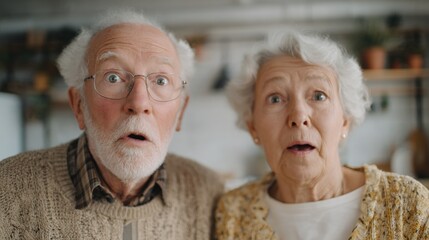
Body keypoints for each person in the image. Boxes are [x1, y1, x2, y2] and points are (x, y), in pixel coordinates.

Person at [0, 10, 224, 239]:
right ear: (78, 104)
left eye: (161, 80)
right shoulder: (6, 190)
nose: (139, 102)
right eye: (113, 77)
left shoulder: (210, 195)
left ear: (180, 112)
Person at [215, 31, 429, 240]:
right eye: (275, 99)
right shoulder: (233, 213)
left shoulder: (406, 205)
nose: (299, 116)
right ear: (253, 127)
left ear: (345, 119)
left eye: (318, 96)